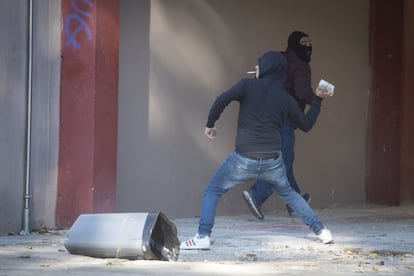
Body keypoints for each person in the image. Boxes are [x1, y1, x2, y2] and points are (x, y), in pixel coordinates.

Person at [180, 51, 333, 250]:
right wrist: (318, 99)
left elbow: (221, 100)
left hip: (243, 158)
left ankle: (202, 236)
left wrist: (210, 124)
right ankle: (322, 231)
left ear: (267, 67)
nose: (256, 68)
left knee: (213, 190)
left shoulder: (247, 85)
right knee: (290, 194)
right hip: (272, 161)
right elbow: (306, 124)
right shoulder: (284, 97)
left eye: (259, 65)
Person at [242, 31, 315, 219]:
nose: (308, 46)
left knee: (285, 163)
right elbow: (301, 91)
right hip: (285, 119)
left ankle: (296, 203)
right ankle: (256, 195)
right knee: (281, 163)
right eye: (304, 43)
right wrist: (319, 98)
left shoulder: (276, 59)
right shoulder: (301, 66)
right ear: (295, 44)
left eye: (309, 43)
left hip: (265, 116)